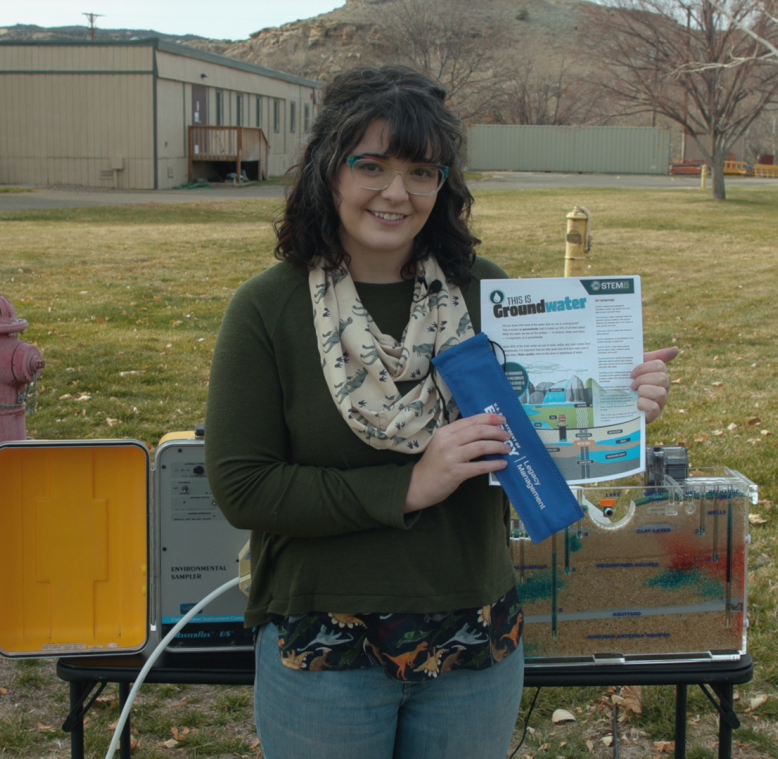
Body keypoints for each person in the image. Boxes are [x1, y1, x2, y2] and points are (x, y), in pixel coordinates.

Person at [204, 65, 676, 759]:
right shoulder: (267, 308)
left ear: (442, 185)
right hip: (323, 645)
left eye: (422, 172)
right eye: (372, 166)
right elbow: (243, 485)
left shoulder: (487, 293)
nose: (397, 192)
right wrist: (409, 485)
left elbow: (534, 443)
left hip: (473, 641)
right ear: (327, 172)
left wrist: (615, 409)